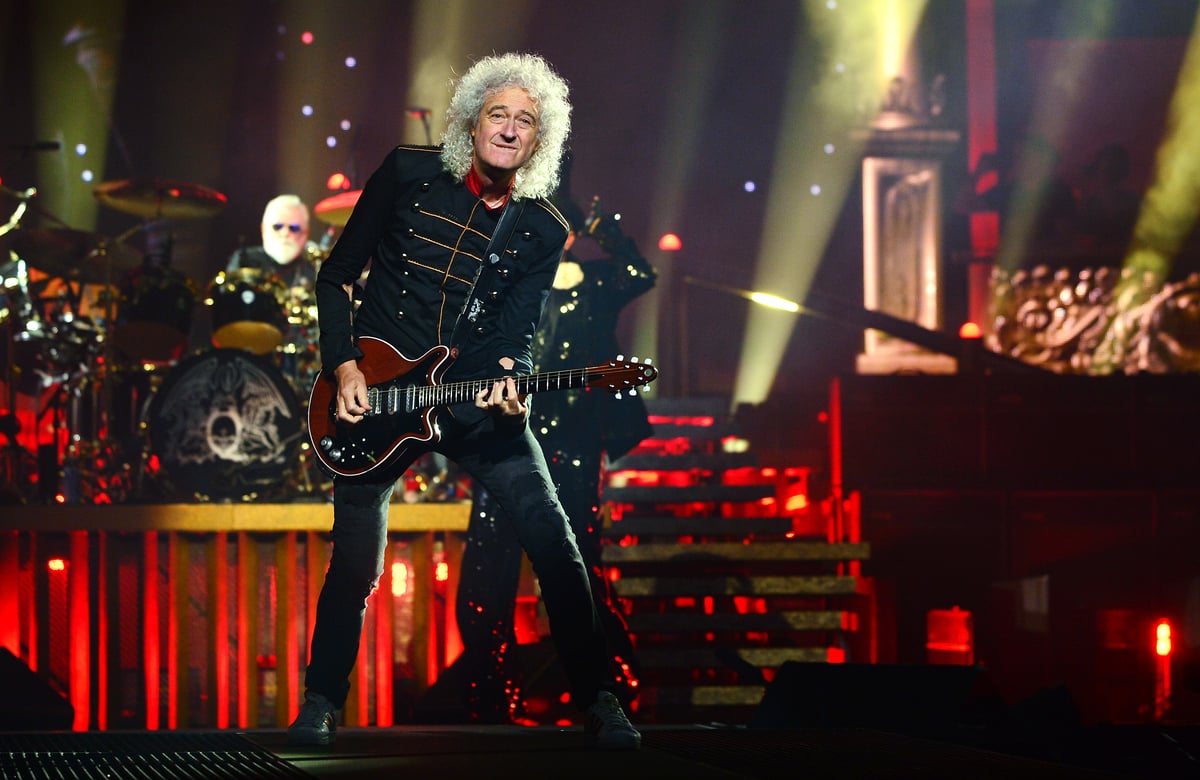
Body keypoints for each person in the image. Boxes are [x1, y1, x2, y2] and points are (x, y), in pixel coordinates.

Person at [288, 52, 641, 750]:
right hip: (379, 396)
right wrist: (345, 366)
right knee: (356, 562)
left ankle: (600, 700)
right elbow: (335, 279)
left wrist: (513, 384)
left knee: (554, 538)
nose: (510, 130)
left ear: (541, 141)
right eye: (499, 114)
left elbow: (517, 334)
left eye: (526, 122)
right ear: (473, 121)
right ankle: (321, 702)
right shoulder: (408, 172)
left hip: (470, 400)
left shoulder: (542, 229)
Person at [454, 171, 656, 723]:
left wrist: (604, 228)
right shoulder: (506, 283)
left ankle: (605, 690)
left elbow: (641, 274)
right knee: (486, 571)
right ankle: (489, 695)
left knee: (577, 565)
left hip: (573, 443)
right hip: (507, 442)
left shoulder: (595, 283)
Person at [225, 193, 318, 290]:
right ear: (263, 229)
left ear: (305, 233)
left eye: (294, 228)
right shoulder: (244, 260)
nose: (285, 233)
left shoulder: (315, 269)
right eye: (277, 227)